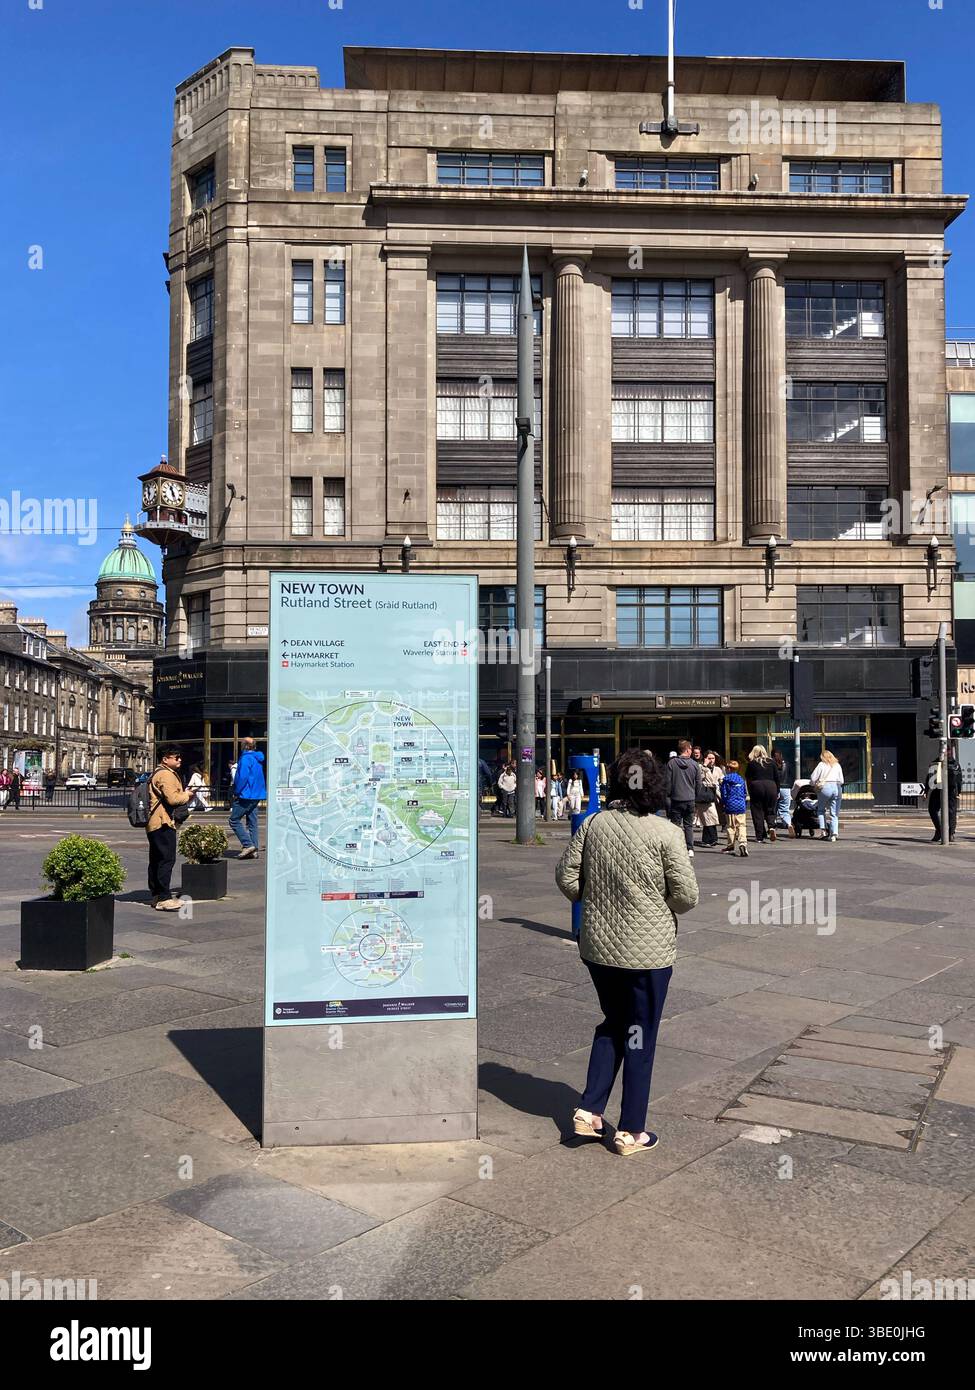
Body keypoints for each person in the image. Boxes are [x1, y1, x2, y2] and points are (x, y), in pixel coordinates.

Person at [555, 749, 698, 1157]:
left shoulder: (593, 825)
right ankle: (632, 1130)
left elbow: (567, 879)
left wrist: (592, 896)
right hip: (647, 953)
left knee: (613, 1022)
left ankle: (589, 1110)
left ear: (616, 783)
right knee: (639, 1034)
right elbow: (686, 897)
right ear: (655, 786)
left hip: (598, 946)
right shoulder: (666, 832)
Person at [146, 745, 192, 910]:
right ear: (165, 759)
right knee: (166, 859)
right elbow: (173, 799)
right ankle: (164, 898)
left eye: (180, 756)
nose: (179, 759)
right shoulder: (165, 774)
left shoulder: (159, 772)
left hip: (155, 822)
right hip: (163, 821)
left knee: (157, 859)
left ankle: (157, 895)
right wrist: (187, 795)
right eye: (175, 757)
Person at [229, 737, 266, 859]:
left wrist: (236, 791)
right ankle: (254, 849)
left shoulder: (245, 759)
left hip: (246, 794)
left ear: (244, 746)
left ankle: (248, 844)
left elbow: (242, 778)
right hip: (257, 794)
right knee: (252, 822)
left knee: (234, 820)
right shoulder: (258, 758)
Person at [664, 739, 702, 856]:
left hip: (676, 798)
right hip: (690, 798)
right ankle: (690, 848)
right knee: (688, 825)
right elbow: (698, 783)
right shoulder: (695, 765)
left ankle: (676, 848)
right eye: (690, 749)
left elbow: (668, 782)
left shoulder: (671, 763)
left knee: (675, 824)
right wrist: (695, 795)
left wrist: (668, 795)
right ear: (687, 749)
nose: (691, 751)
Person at [745, 745, 779, 844]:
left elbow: (748, 778)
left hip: (757, 786)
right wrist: (777, 791)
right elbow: (777, 778)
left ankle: (759, 836)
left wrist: (750, 791)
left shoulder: (752, 763)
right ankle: (771, 826)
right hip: (771, 786)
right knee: (770, 809)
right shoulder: (772, 762)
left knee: (757, 811)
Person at [810, 749, 844, 842]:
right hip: (837, 787)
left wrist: (813, 784)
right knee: (834, 813)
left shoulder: (821, 765)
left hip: (825, 787)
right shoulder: (837, 765)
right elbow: (842, 780)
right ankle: (834, 834)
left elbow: (813, 778)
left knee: (821, 810)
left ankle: (823, 831)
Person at [926, 752, 962, 843]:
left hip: (938, 788)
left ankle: (941, 831)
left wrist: (926, 791)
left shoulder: (936, 762)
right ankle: (950, 833)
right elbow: (959, 779)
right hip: (950, 790)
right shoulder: (955, 764)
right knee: (951, 812)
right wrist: (959, 791)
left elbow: (930, 777)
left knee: (933, 809)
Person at [719, 760, 749, 856]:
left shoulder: (726, 780)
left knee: (731, 826)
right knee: (741, 825)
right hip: (741, 805)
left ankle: (731, 845)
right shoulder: (741, 779)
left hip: (730, 805)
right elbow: (745, 792)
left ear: (728, 769)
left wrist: (723, 803)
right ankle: (743, 843)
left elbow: (724, 793)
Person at [695, 750, 724, 848]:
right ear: (705, 758)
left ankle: (708, 839)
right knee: (708, 817)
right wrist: (705, 766)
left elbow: (721, 779)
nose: (711, 760)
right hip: (705, 794)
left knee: (711, 817)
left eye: (713, 758)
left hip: (715, 795)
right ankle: (712, 838)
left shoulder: (718, 769)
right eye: (709, 758)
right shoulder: (700, 767)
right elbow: (699, 778)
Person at [772, 749, 792, 831]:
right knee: (785, 810)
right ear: (781, 755)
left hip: (775, 788)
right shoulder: (787, 764)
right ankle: (789, 824)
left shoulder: (772, 764)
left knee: (773, 809)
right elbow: (791, 776)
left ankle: (773, 826)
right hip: (786, 788)